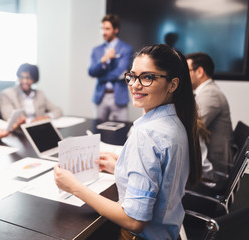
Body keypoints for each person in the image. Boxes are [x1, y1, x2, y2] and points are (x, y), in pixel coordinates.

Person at [55, 44, 202, 239]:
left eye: (147, 77)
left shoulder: (147, 134)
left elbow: (134, 221)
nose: (135, 84)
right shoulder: (177, 123)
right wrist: (120, 167)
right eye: (132, 76)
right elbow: (162, 178)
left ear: (172, 85)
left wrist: (73, 186)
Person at [186, 52, 235, 175]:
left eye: (187, 71)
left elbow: (189, 128)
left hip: (214, 168)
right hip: (210, 159)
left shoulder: (210, 94)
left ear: (200, 72)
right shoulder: (205, 92)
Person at [88, 14, 132, 121]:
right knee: (97, 129)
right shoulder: (96, 50)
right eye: (102, 28)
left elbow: (120, 72)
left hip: (119, 97)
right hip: (100, 97)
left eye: (107, 29)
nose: (103, 32)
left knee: (121, 130)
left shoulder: (126, 49)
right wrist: (103, 60)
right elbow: (91, 72)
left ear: (116, 30)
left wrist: (101, 77)